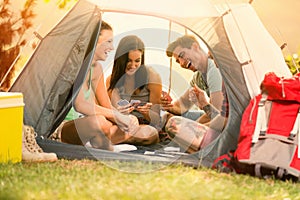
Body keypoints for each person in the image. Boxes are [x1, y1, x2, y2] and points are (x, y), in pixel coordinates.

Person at [52, 21, 143, 151]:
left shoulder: (97, 69)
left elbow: (106, 105)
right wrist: (116, 116)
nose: (112, 48)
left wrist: (127, 119)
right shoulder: (76, 65)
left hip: (86, 124)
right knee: (99, 122)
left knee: (128, 123)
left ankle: (97, 143)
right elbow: (80, 105)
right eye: (108, 41)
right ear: (93, 40)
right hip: (63, 128)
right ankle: (104, 146)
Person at [106, 35, 161, 143]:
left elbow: (157, 120)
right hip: (123, 124)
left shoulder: (152, 77)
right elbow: (112, 112)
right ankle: (114, 139)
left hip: (145, 126)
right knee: (107, 127)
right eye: (128, 61)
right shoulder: (111, 81)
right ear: (121, 60)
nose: (133, 65)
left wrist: (147, 113)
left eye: (137, 61)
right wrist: (120, 113)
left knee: (149, 133)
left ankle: (108, 141)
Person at [161, 35, 224, 125]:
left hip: (224, 120)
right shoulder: (198, 77)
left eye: (182, 55)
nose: (182, 63)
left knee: (175, 125)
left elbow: (217, 116)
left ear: (195, 47)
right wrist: (165, 105)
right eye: (178, 61)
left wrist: (191, 128)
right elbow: (182, 105)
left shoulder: (214, 70)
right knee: (169, 118)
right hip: (214, 117)